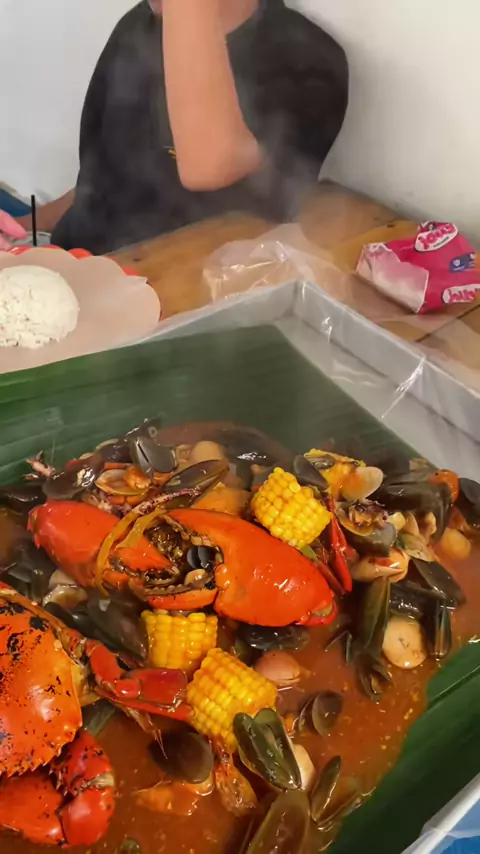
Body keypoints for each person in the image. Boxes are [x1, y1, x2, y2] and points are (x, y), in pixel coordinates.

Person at [40, 0, 348, 254]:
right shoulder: (136, 27)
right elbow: (97, 181)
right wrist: (27, 226)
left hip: (175, 292)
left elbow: (208, 165)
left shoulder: (304, 57)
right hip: (69, 266)